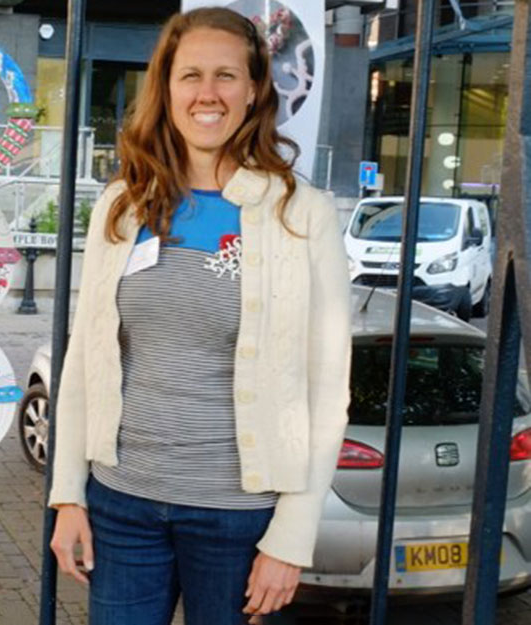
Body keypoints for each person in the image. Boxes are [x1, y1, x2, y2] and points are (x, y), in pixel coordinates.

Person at [48, 7, 351, 625]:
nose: (207, 94)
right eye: (190, 76)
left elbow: (327, 386)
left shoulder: (302, 215)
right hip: (121, 505)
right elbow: (86, 358)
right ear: (165, 88)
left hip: (238, 519)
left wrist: (290, 537)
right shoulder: (124, 203)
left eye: (225, 76)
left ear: (254, 90)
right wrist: (68, 496)